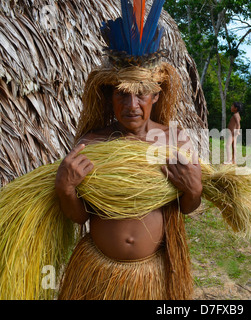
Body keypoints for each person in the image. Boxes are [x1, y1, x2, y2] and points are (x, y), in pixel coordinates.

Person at [55, 0, 201, 300]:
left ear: (157, 95)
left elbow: (186, 206)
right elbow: (80, 218)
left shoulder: (174, 141)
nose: (131, 105)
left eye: (141, 94)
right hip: (96, 274)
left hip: (153, 275)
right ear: (109, 96)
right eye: (122, 94)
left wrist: (194, 191)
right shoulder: (91, 143)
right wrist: (66, 190)